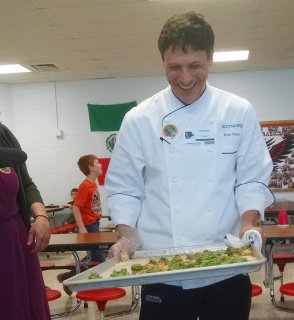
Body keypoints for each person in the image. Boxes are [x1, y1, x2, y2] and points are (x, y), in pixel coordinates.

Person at [106, 12, 274, 320]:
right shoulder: (140, 118)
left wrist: (249, 221)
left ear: (210, 59)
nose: (185, 78)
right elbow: (125, 188)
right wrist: (126, 236)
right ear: (163, 63)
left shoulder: (237, 111)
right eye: (174, 67)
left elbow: (251, 178)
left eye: (195, 65)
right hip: (162, 269)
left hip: (227, 263)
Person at [0, 123, 51, 319]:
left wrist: (41, 216)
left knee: (23, 306)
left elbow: (27, 184)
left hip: (15, 241)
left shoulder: (4, 134)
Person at [57, 155, 106, 294]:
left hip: (94, 224)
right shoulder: (85, 186)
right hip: (89, 226)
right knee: (99, 258)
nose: (101, 165)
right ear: (91, 167)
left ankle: (68, 277)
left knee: (95, 256)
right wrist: (82, 227)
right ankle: (94, 288)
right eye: (97, 163)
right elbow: (76, 207)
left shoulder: (92, 184)